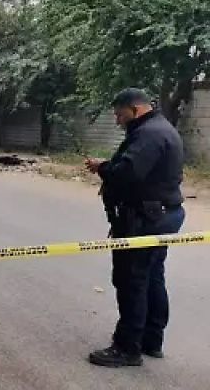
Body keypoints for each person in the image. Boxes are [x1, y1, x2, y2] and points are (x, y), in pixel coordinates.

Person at [84, 88, 185, 368]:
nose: (118, 121)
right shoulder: (158, 128)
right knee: (151, 276)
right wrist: (106, 165)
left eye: (120, 115)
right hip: (160, 214)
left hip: (146, 219)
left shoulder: (148, 134)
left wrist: (104, 169)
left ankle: (127, 348)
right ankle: (151, 340)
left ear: (136, 109)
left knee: (132, 280)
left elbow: (128, 174)